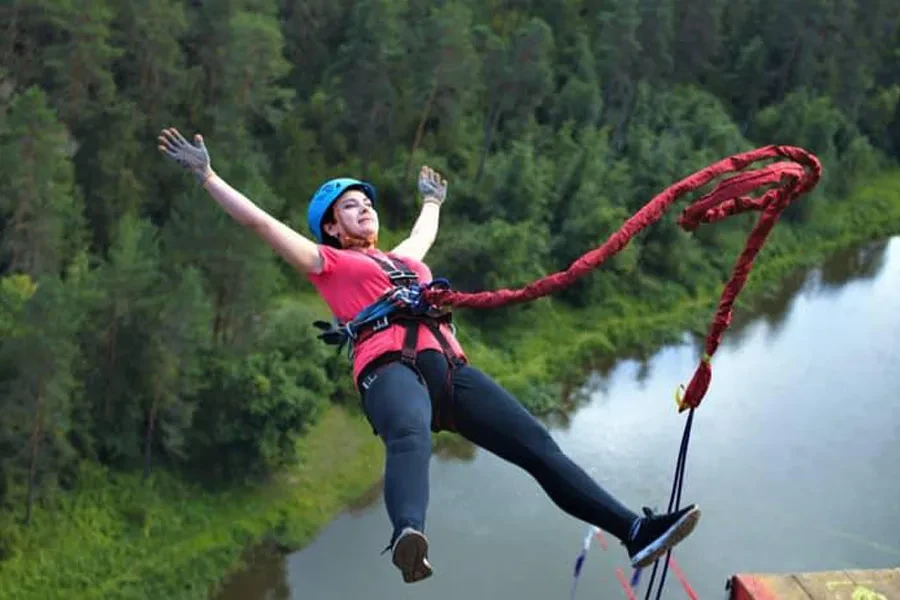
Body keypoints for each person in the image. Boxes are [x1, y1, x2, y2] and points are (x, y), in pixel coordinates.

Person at [157, 127, 702, 584]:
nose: (365, 209)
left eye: (367, 203)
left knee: (538, 447)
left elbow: (423, 234)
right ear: (331, 226)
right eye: (352, 206)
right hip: (389, 369)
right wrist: (208, 176)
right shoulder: (327, 263)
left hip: (450, 374)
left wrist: (432, 201)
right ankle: (407, 534)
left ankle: (635, 531)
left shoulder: (400, 262)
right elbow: (261, 224)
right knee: (410, 436)